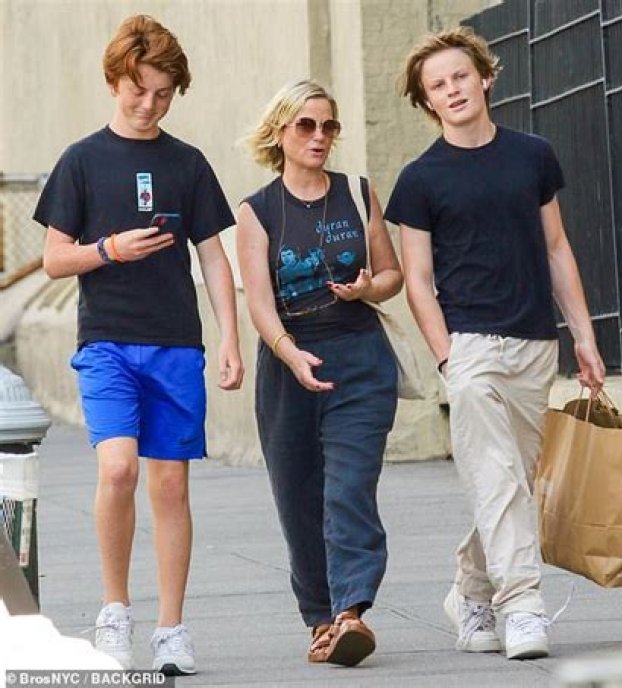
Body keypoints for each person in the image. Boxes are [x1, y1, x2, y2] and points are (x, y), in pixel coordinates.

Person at [385, 27, 605, 661]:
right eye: (437, 85)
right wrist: (447, 356)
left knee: (512, 482)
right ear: (427, 102)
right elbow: (418, 281)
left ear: (484, 77)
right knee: (498, 477)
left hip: (534, 345)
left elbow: (556, 248)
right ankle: (523, 605)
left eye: (460, 76)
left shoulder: (533, 156)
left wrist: (584, 337)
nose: (451, 90)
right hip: (470, 347)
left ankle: (469, 590)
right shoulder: (419, 179)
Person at [33, 14, 243, 675]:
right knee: (118, 468)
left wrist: (230, 338)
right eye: (138, 90)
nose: (149, 104)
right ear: (114, 81)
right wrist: (109, 249)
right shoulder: (82, 160)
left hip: (175, 341)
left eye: (163, 94)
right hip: (107, 342)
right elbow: (53, 259)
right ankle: (114, 610)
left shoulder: (188, 163)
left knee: (170, 484)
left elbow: (214, 256)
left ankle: (171, 628)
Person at [236, 80, 402, 667]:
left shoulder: (357, 192)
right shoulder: (257, 211)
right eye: (306, 125)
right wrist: (290, 353)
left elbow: (392, 275)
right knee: (298, 496)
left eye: (328, 126)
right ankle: (321, 619)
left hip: (359, 357)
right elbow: (259, 303)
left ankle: (351, 611)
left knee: (349, 487)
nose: (319, 136)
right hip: (289, 364)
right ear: (280, 133)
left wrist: (368, 288)